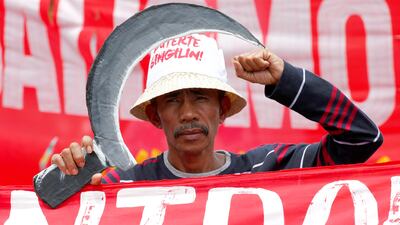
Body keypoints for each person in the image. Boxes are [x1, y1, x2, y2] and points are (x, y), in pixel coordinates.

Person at [51, 34, 383, 185]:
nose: (188, 113)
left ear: (222, 109)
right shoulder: (123, 184)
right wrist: (67, 180)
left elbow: (362, 139)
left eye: (200, 97)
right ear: (155, 117)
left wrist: (288, 80)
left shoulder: (268, 169)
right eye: (172, 100)